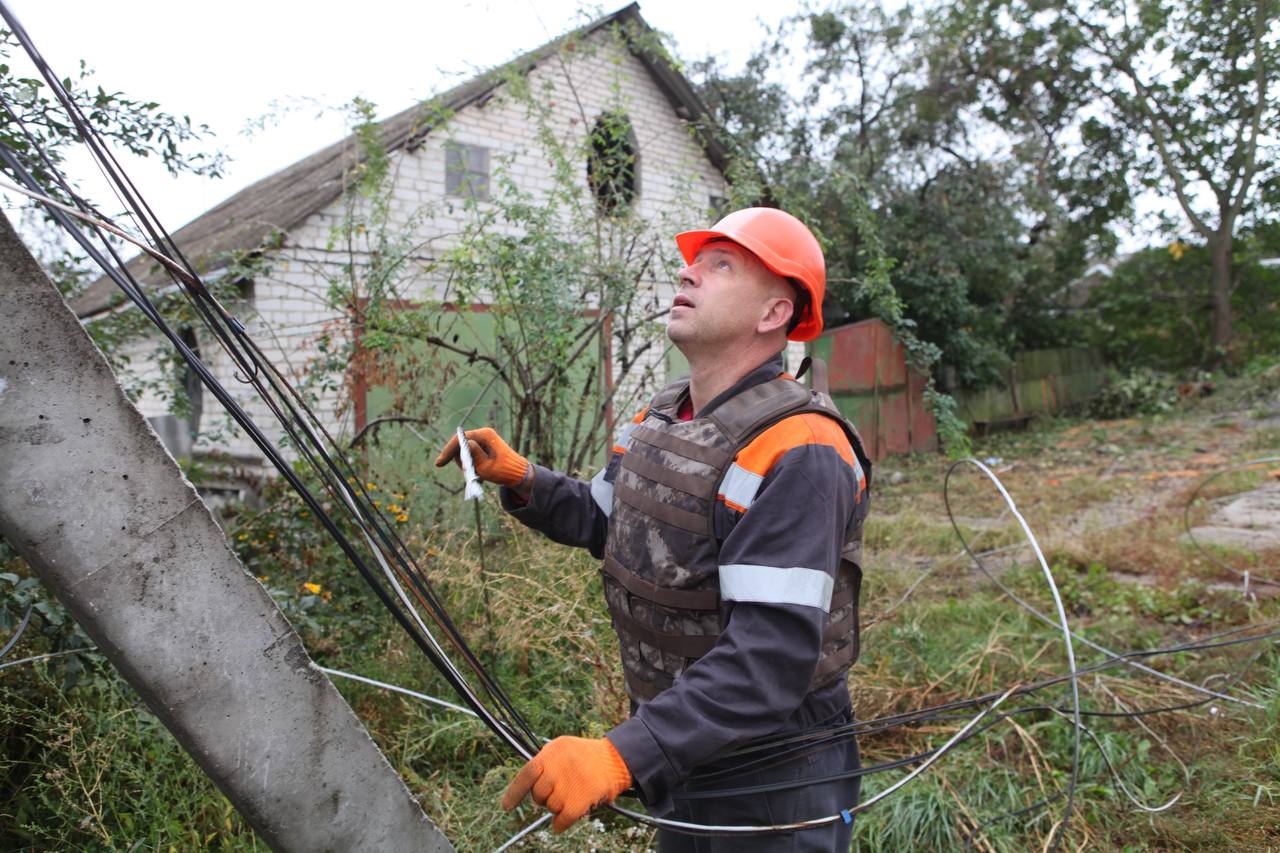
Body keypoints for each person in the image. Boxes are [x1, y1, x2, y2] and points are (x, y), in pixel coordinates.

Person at [437, 207, 871, 851]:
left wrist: (621, 756)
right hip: (687, 746)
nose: (688, 273)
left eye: (720, 265)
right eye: (695, 261)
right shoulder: (663, 412)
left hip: (775, 776)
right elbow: (609, 522)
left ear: (774, 314)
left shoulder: (800, 448)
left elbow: (770, 659)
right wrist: (526, 479)